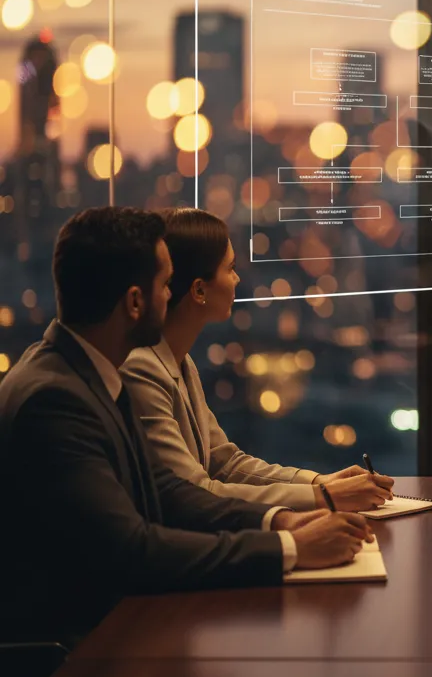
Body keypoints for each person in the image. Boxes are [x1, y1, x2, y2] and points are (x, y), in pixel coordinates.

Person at [0, 207, 373, 646]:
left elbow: (171, 493)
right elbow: (132, 551)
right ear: (135, 301)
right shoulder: (57, 400)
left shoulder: (90, 373)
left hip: (108, 631)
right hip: (65, 664)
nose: (170, 294)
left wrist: (284, 521)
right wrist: (291, 548)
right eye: (164, 284)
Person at [122, 208, 394, 511]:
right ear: (199, 289)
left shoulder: (180, 362)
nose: (237, 278)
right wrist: (325, 498)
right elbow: (193, 491)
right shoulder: (143, 367)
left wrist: (320, 482)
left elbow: (225, 463)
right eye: (230, 268)